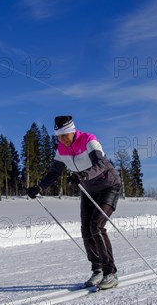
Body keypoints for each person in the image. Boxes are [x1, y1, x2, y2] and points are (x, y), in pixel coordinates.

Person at [27, 115, 122, 289]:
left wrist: (83, 175)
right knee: (86, 228)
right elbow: (54, 173)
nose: (61, 140)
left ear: (72, 131)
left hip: (109, 186)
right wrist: (39, 188)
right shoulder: (61, 149)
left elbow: (101, 163)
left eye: (64, 136)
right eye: (58, 137)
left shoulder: (89, 140)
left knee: (96, 226)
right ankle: (98, 270)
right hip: (89, 189)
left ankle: (111, 273)